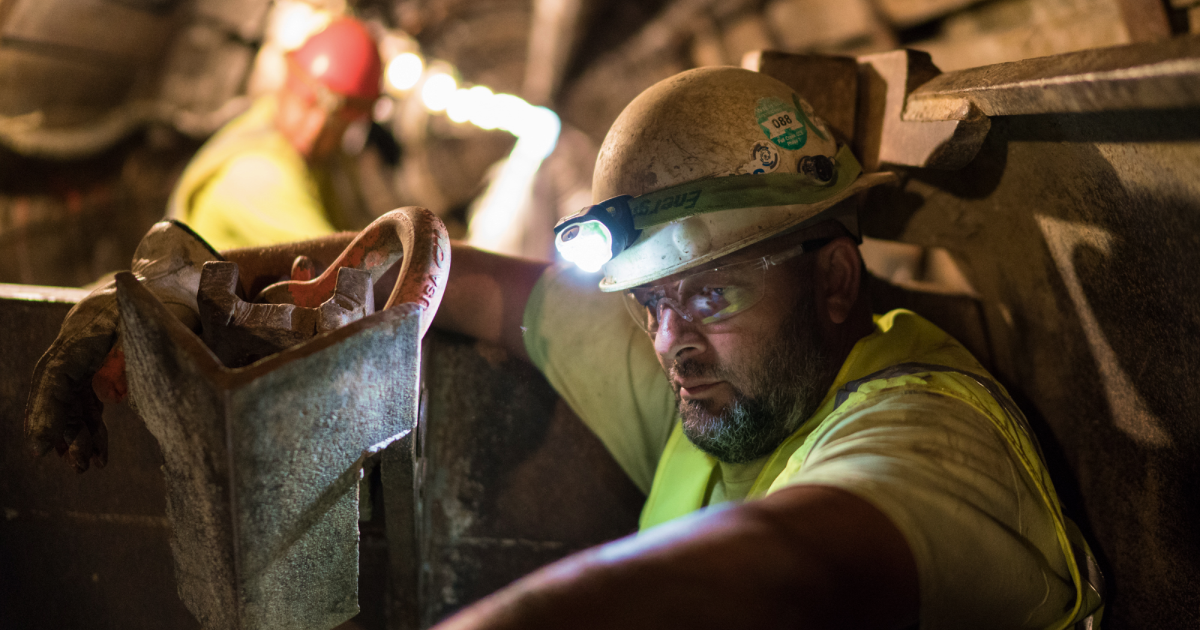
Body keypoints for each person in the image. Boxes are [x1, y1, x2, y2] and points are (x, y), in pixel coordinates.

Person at [25, 67, 1103, 629]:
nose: (669, 343)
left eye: (710, 292)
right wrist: (201, 289)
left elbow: (791, 574)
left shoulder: (931, 437)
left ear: (832, 280)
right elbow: (474, 282)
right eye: (648, 302)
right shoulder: (725, 377)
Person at [167, 17, 383, 250]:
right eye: (307, 104)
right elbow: (343, 268)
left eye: (336, 123)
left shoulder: (319, 163)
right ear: (287, 82)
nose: (316, 129)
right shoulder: (256, 175)